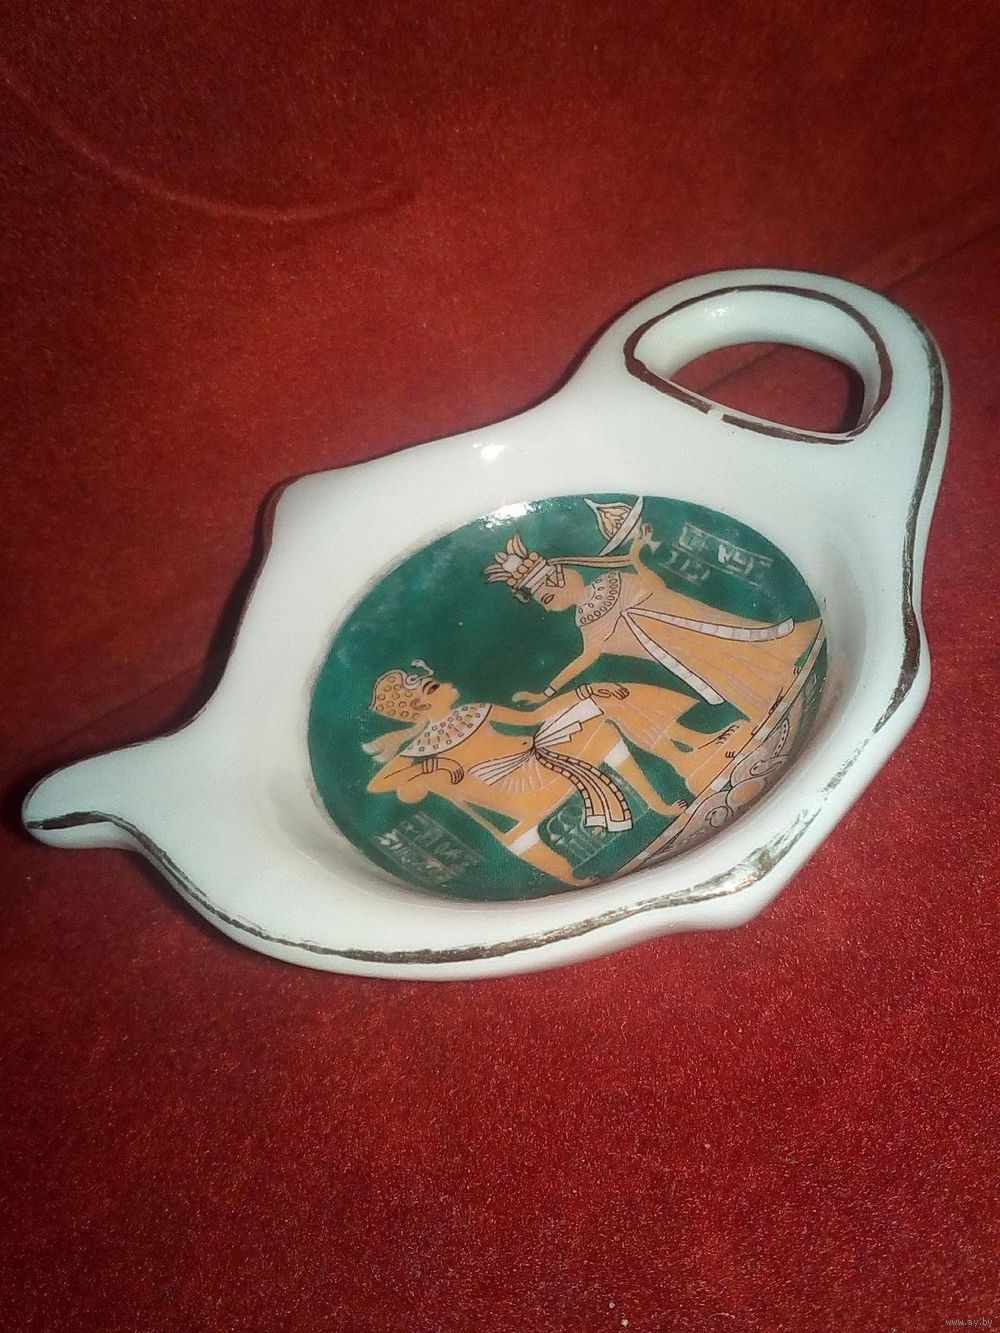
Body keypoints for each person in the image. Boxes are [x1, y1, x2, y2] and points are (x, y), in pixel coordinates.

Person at [483, 499, 821, 725]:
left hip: (692, 622)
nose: (549, 604)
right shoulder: (586, 620)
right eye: (544, 600)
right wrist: (546, 693)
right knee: (723, 669)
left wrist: (636, 559)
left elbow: (658, 589)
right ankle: (770, 693)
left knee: (736, 641)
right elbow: (585, 660)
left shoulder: (611, 580)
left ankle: (787, 662)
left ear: (559, 579)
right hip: (680, 651)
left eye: (546, 596)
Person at [363, 662, 690, 886]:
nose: (447, 685)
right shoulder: (423, 746)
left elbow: (535, 716)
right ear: (421, 706)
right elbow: (379, 783)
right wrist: (434, 765)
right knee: (602, 734)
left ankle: (657, 802)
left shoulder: (473, 711)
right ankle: (572, 873)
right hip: (517, 790)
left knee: (599, 725)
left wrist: (586, 691)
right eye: (434, 687)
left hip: (535, 764)